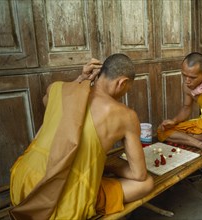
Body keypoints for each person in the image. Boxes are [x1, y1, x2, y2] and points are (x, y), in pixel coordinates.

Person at [9, 54, 154, 220]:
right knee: (146, 183)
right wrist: (109, 166)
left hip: (21, 184)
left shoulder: (56, 88)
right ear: (122, 82)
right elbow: (139, 174)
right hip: (56, 202)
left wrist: (80, 79)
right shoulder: (126, 116)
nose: (123, 95)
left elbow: (48, 103)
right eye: (127, 89)